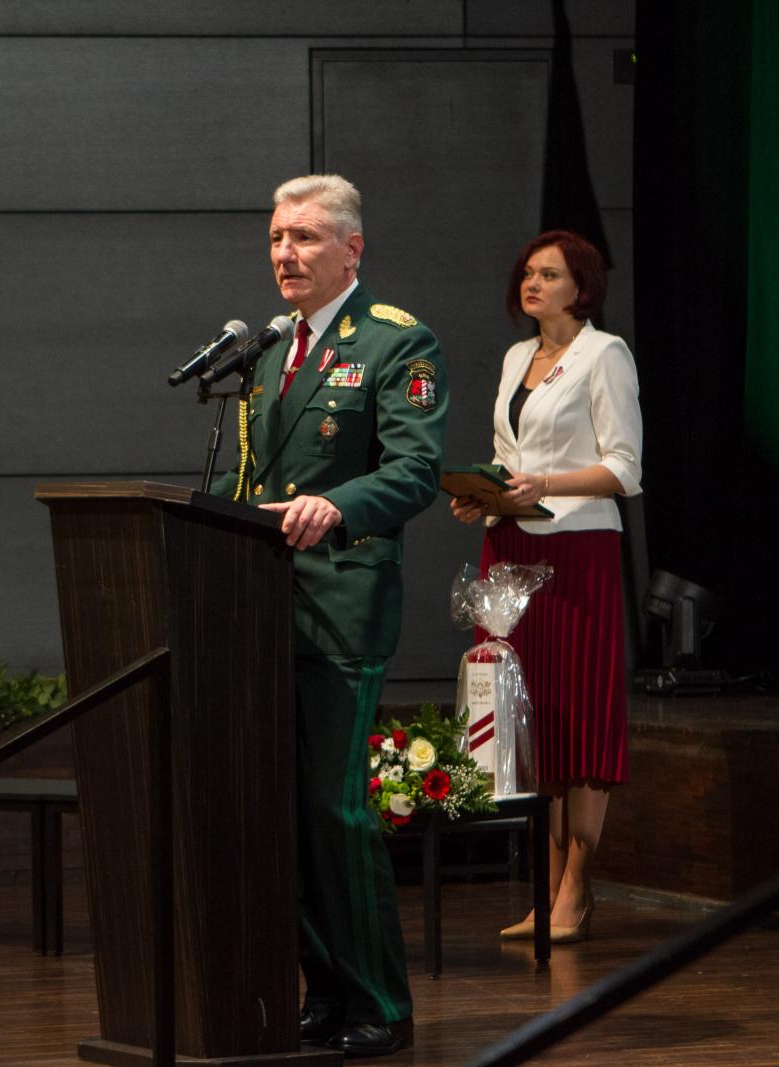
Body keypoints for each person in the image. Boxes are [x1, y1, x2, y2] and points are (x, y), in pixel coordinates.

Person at [215, 174, 447, 1057]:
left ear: (353, 248)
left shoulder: (396, 341)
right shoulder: (269, 351)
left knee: (334, 808)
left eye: (306, 238)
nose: (286, 253)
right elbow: (245, 482)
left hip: (342, 606)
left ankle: (381, 1003)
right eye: (277, 237)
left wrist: (337, 504)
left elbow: (417, 469)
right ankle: (327, 990)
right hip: (260, 607)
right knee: (283, 811)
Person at [450, 229, 642, 944]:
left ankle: (577, 884)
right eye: (527, 273)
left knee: (578, 714)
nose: (532, 284)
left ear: (582, 287)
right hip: (509, 547)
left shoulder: (605, 353)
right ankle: (544, 878)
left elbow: (625, 467)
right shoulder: (515, 357)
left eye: (549, 274)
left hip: (578, 550)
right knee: (527, 717)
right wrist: (484, 496)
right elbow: (510, 459)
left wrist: (544, 483)